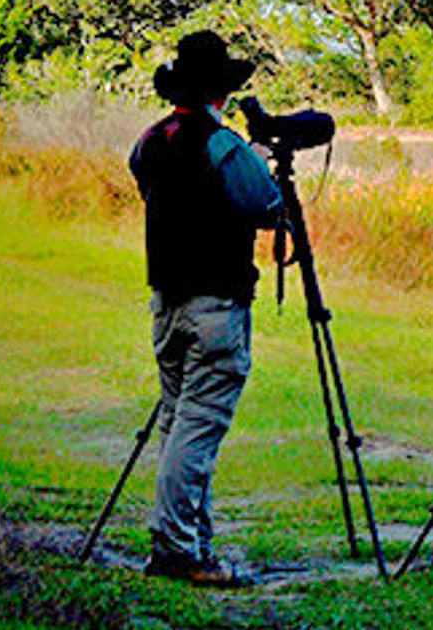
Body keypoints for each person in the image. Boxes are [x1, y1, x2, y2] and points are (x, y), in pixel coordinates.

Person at [127, 30, 282, 586]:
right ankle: (174, 547)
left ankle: (190, 539)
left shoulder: (153, 138)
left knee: (177, 421)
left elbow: (143, 177)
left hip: (166, 299)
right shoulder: (222, 143)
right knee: (197, 427)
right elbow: (266, 204)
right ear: (221, 90)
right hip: (216, 299)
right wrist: (259, 161)